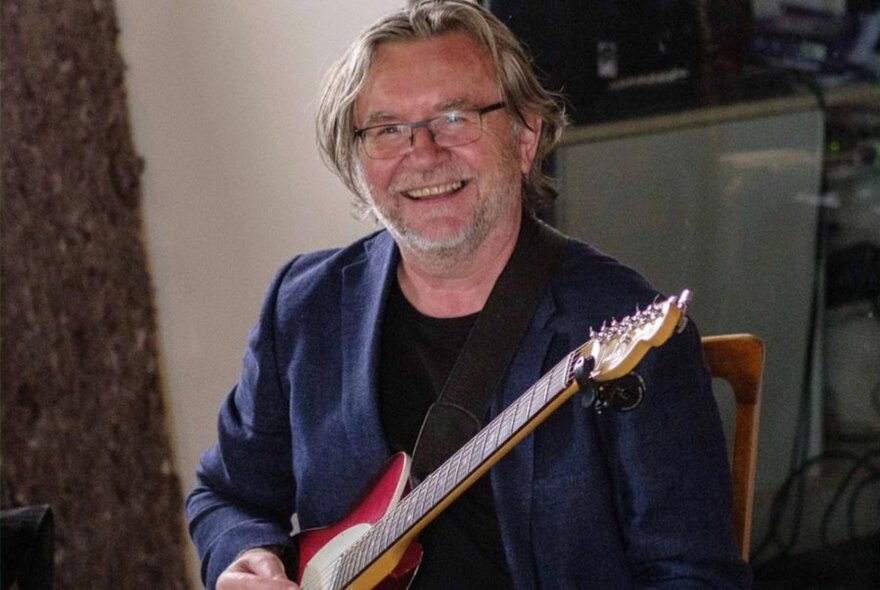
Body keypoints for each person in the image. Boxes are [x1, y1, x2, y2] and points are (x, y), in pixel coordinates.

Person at [186, 1, 751, 588]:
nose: (424, 153)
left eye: (455, 117)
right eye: (386, 129)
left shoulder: (621, 326)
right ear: (358, 159)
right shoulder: (306, 306)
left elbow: (693, 575)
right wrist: (246, 559)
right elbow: (227, 495)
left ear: (526, 136)